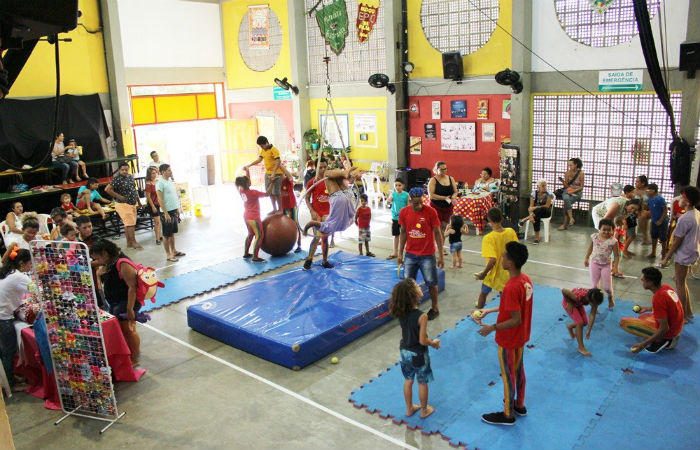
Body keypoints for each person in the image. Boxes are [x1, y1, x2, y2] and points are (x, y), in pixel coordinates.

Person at [478, 241, 533, 426]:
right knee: (519, 370)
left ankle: (508, 414)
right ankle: (520, 404)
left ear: (510, 262)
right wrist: (490, 310)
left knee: (508, 374)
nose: (501, 258)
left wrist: (491, 327)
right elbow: (513, 309)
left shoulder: (511, 287)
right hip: (521, 336)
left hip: (508, 339)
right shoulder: (525, 280)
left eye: (503, 256)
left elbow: (515, 319)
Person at [389, 278, 441, 419]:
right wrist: (434, 343)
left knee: (408, 380)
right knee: (422, 382)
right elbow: (422, 340)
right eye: (417, 286)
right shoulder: (422, 316)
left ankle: (409, 408)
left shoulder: (400, 311)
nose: (420, 287)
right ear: (413, 294)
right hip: (418, 353)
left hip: (404, 351)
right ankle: (424, 410)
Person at [91, 239, 142, 364]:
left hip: (126, 302)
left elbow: (132, 287)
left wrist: (130, 309)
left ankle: (134, 359)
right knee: (124, 330)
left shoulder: (123, 263)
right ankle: (132, 352)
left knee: (129, 331)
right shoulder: (109, 261)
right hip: (115, 301)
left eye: (97, 258)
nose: (97, 262)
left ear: (105, 253)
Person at [397, 187, 444, 320]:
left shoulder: (431, 212)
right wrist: (400, 253)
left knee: (431, 283)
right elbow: (403, 232)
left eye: (421, 202)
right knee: (408, 284)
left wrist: (440, 255)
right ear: (410, 201)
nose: (419, 205)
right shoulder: (403, 212)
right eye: (416, 203)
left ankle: (435, 308)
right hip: (410, 254)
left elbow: (437, 233)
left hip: (427, 255)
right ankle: (412, 307)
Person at [302, 166, 359, 270]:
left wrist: (305, 230)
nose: (323, 169)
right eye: (321, 167)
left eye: (324, 166)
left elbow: (353, 216)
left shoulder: (337, 226)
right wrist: (312, 210)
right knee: (317, 238)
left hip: (334, 210)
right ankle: (309, 259)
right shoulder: (313, 182)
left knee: (323, 238)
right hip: (322, 212)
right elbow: (307, 198)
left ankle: (323, 261)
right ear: (317, 168)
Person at [620, 267, 684, 353]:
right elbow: (668, 308)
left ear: (650, 282)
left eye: (643, 280)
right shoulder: (666, 288)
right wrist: (646, 309)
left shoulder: (658, 298)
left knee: (624, 322)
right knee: (643, 316)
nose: (641, 281)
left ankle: (663, 341)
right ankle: (668, 337)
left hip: (669, 332)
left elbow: (664, 328)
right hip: (677, 327)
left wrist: (643, 344)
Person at [659, 186, 700, 322]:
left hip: (685, 253)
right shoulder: (696, 213)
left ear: (687, 201)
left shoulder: (685, 219)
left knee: (680, 283)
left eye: (682, 197)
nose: (679, 199)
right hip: (692, 251)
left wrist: (666, 257)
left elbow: (677, 241)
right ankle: (688, 312)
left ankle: (682, 315)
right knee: (681, 281)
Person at [0, 246, 32, 392]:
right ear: (22, 263)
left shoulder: (7, 271)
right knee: (8, 352)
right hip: (3, 318)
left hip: (4, 314)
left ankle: (8, 377)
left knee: (4, 352)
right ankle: (11, 384)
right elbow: (37, 290)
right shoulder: (19, 276)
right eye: (29, 263)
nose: (31, 266)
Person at [475, 208, 518, 309]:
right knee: (505, 297)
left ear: (489, 221)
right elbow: (516, 250)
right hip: (507, 272)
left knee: (483, 293)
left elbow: (492, 260)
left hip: (492, 274)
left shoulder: (488, 238)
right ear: (502, 219)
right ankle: (505, 315)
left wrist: (483, 274)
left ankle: (479, 313)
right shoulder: (511, 232)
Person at [105, 162, 143, 250]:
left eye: (126, 170)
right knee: (130, 224)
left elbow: (134, 190)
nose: (124, 171)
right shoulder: (117, 179)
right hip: (123, 204)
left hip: (132, 203)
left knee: (128, 224)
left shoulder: (130, 177)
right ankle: (134, 242)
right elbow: (107, 189)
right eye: (122, 170)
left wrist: (139, 202)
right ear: (119, 170)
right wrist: (119, 197)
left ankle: (129, 243)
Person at [584, 218, 618, 310]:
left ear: (612, 230)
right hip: (594, 263)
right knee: (594, 286)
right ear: (599, 229)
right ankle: (594, 304)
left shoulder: (613, 241)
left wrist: (615, 268)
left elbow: (617, 256)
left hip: (606, 266)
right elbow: (590, 248)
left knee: (607, 287)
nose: (606, 232)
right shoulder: (595, 237)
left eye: (609, 230)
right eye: (604, 230)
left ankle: (610, 298)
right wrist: (586, 258)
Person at [244, 136, 284, 212]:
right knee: (269, 192)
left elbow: (278, 162)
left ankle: (280, 209)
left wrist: (274, 173)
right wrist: (250, 165)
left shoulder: (274, 150)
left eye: (262, 146)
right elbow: (259, 160)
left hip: (277, 174)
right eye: (260, 146)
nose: (261, 147)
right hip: (268, 173)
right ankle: (274, 209)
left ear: (266, 143)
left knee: (276, 192)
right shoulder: (263, 150)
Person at [235, 168, 267, 262]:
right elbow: (267, 194)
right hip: (254, 218)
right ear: (247, 184)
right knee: (260, 235)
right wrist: (272, 183)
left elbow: (246, 181)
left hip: (246, 216)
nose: (250, 181)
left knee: (251, 234)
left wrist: (247, 171)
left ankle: (246, 253)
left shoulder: (241, 190)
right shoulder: (253, 193)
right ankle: (255, 257)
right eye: (249, 180)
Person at [561, 287, 604, 356]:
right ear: (588, 299)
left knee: (584, 323)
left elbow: (592, 315)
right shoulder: (576, 297)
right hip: (569, 302)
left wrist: (589, 330)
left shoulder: (594, 297)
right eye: (593, 304)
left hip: (578, 303)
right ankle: (581, 347)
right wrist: (569, 302)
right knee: (579, 323)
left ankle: (569, 326)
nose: (594, 306)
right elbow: (563, 290)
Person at [156, 164, 185, 262]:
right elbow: (160, 199)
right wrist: (165, 213)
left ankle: (174, 250)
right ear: (163, 172)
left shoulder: (169, 181)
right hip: (166, 212)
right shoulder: (160, 182)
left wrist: (177, 209)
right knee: (166, 234)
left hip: (173, 210)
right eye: (168, 170)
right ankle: (168, 254)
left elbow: (173, 196)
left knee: (172, 233)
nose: (170, 171)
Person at [427, 161, 458, 250]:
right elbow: (431, 195)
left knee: (445, 227)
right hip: (436, 206)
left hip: (447, 207)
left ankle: (441, 246)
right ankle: (437, 246)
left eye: (445, 169)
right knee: (438, 228)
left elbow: (455, 191)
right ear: (436, 169)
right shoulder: (433, 180)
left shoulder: (450, 178)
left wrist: (453, 197)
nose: (444, 171)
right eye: (442, 169)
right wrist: (444, 198)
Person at [519, 179, 553, 244]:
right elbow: (530, 207)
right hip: (536, 213)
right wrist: (531, 214)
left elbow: (547, 206)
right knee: (536, 215)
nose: (545, 187)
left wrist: (536, 207)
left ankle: (526, 219)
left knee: (540, 209)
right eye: (543, 186)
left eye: (545, 185)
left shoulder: (549, 194)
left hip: (546, 212)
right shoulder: (534, 193)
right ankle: (537, 237)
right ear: (538, 187)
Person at [279, 165, 302, 253]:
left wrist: (280, 165)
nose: (279, 176)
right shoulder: (277, 183)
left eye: (281, 174)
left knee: (295, 225)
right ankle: (286, 245)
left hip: (292, 206)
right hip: (283, 208)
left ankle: (299, 245)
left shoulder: (288, 180)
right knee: (285, 227)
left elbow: (290, 176)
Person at [558, 158, 584, 230]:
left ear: (576, 165)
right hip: (567, 191)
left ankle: (565, 224)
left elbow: (581, 187)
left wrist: (573, 191)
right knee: (566, 198)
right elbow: (566, 186)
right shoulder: (567, 173)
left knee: (566, 203)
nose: (569, 166)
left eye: (571, 165)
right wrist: (563, 181)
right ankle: (571, 218)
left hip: (577, 192)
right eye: (568, 165)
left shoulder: (581, 173)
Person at [386, 178, 409, 260]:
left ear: (403, 186)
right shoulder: (393, 194)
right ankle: (395, 252)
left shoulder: (406, 195)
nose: (397, 187)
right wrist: (388, 200)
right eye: (396, 185)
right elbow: (388, 202)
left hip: (404, 219)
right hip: (395, 218)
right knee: (396, 235)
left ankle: (406, 252)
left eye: (399, 185)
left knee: (405, 235)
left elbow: (409, 206)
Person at [646, 183, 668, 262]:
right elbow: (650, 209)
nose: (647, 191)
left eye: (648, 190)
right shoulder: (650, 199)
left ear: (653, 190)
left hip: (662, 221)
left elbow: (665, 210)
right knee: (654, 236)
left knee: (663, 238)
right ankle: (653, 252)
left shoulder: (660, 199)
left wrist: (661, 220)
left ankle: (664, 255)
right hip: (654, 221)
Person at [142, 167, 163, 245]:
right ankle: (157, 239)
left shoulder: (157, 181)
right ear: (149, 174)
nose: (154, 175)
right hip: (153, 204)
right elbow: (148, 196)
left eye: (155, 173)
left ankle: (160, 236)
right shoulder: (148, 183)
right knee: (157, 222)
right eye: (152, 173)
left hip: (159, 203)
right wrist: (153, 206)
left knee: (159, 221)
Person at [634, 175, 652, 245]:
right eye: (636, 181)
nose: (635, 183)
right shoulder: (634, 190)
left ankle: (645, 237)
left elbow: (654, 201)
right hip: (636, 210)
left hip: (648, 210)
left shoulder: (649, 190)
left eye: (637, 182)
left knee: (643, 215)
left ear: (643, 183)